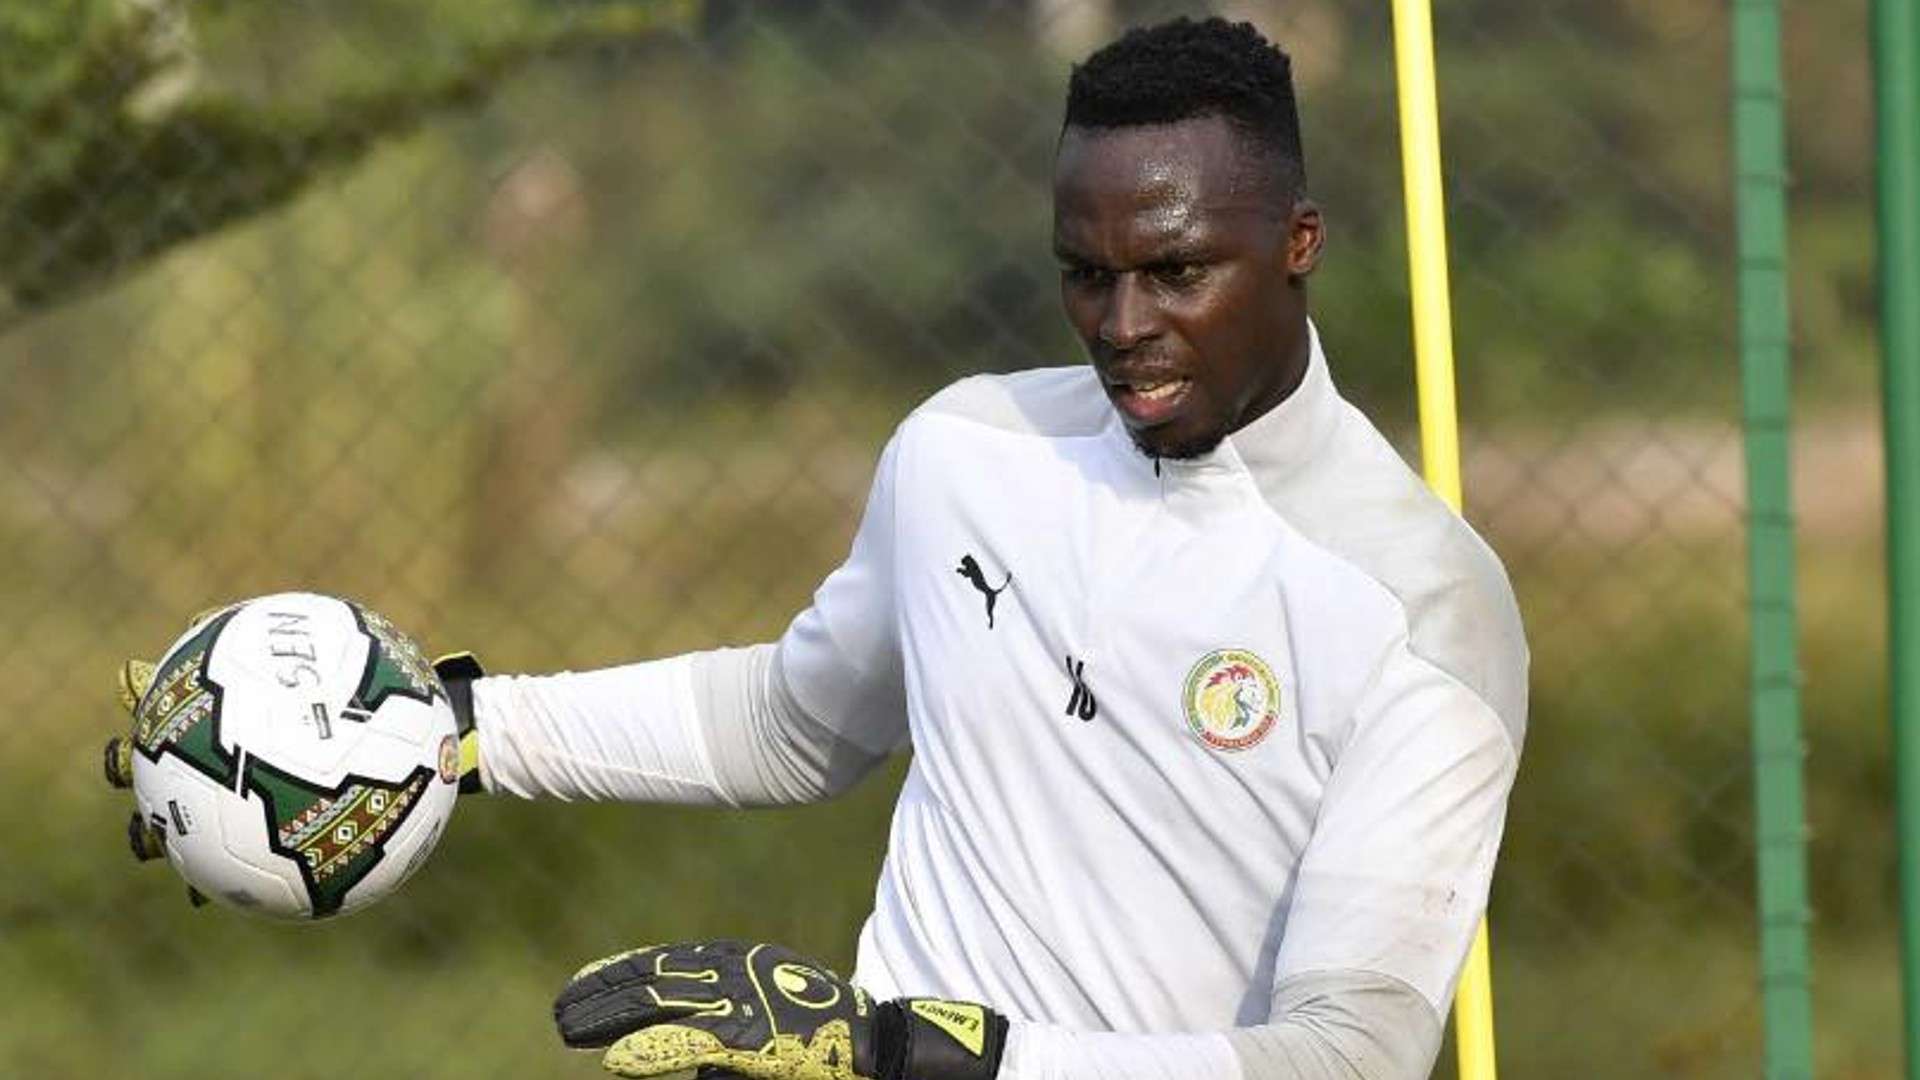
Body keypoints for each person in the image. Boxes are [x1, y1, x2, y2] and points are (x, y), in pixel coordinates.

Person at [118, 16, 1528, 1080]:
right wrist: (449, 729)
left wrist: (926, 1057)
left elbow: (1348, 1054)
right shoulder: (968, 453)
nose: (1122, 326)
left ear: (1296, 242)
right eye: (1084, 276)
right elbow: (795, 722)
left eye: (1177, 272)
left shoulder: (1421, 609)